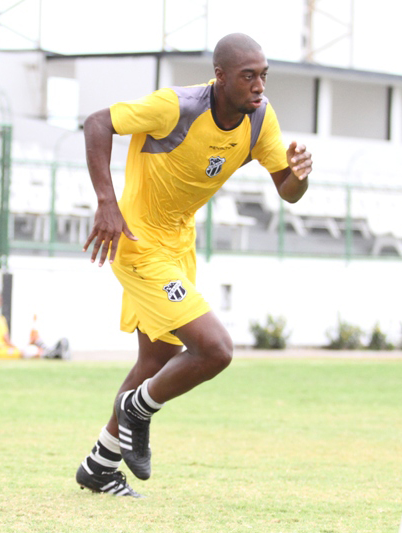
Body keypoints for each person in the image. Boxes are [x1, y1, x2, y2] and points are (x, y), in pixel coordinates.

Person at [74, 33, 313, 498]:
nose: (259, 86)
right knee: (216, 349)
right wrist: (107, 201)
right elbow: (97, 122)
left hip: (180, 244)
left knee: (157, 359)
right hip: (138, 241)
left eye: (263, 75)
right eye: (248, 76)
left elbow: (287, 188)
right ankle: (137, 410)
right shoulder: (175, 107)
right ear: (220, 77)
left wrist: (300, 175)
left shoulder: (259, 119)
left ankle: (99, 467)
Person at [0, 291, 70, 360]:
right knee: (27, 351)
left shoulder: (0, 319)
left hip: (3, 350)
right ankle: (52, 354)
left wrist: (14, 347)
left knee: (28, 346)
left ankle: (52, 352)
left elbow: (7, 340)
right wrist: (10, 348)